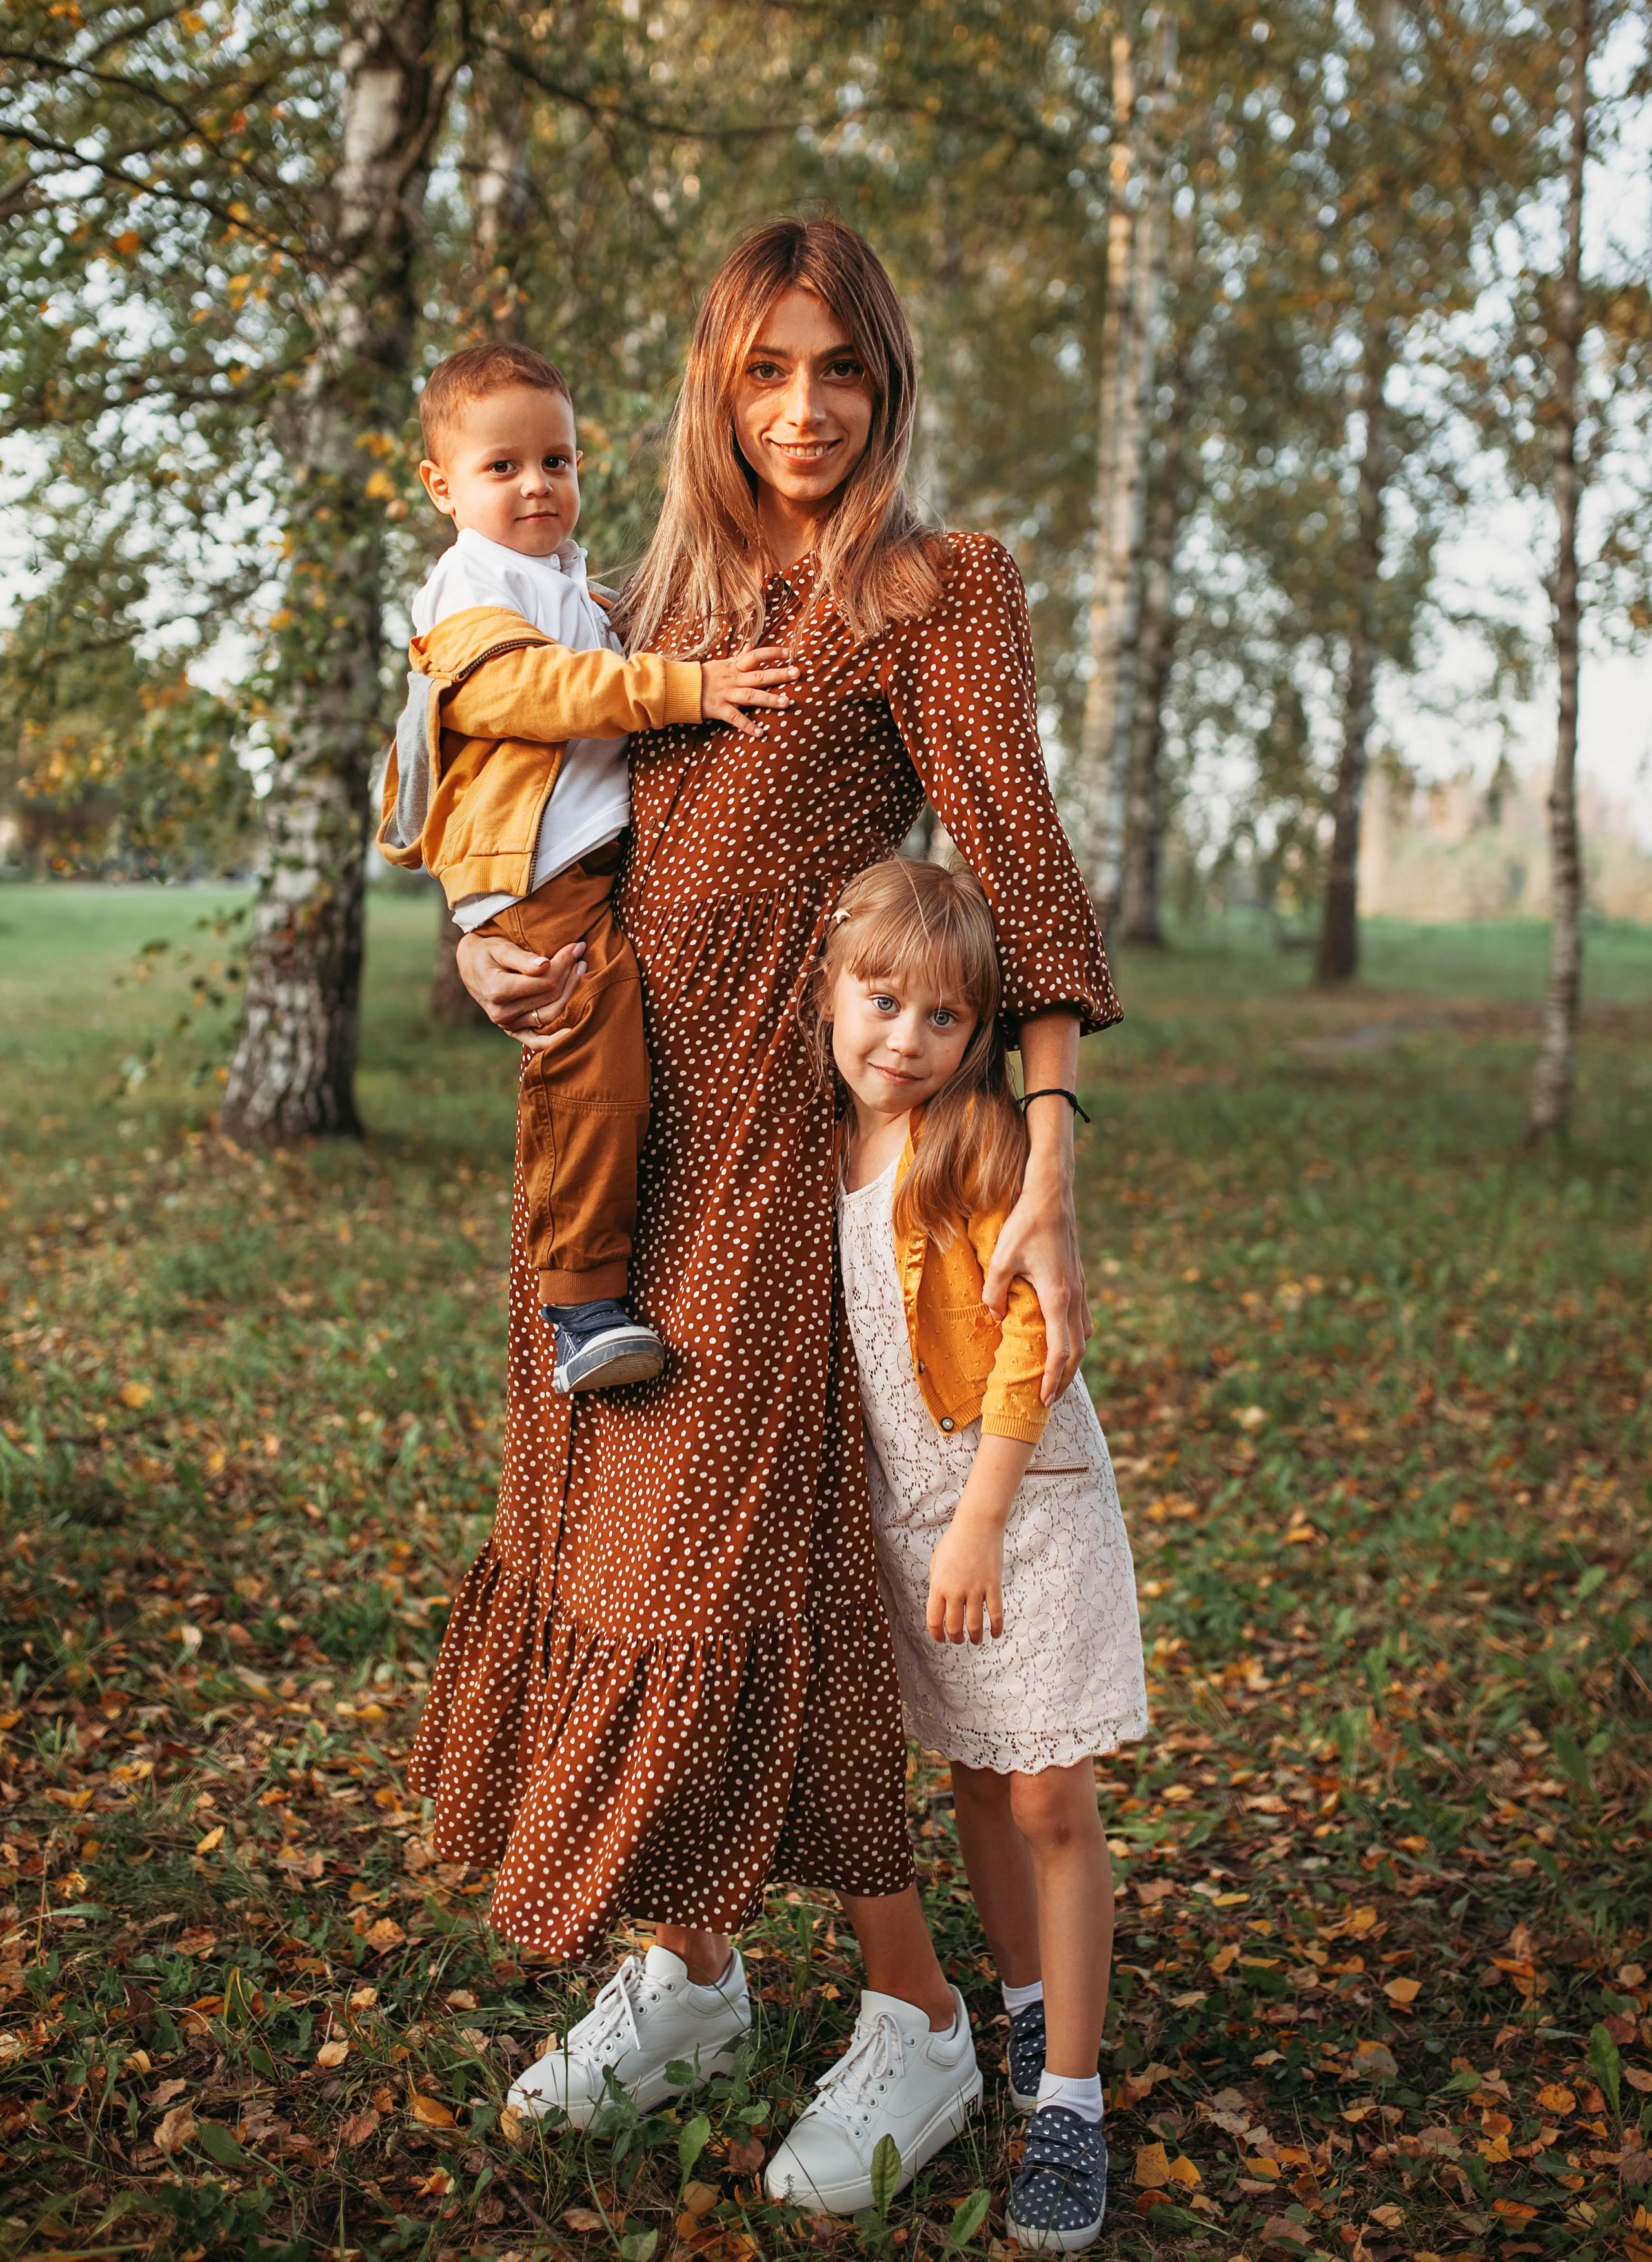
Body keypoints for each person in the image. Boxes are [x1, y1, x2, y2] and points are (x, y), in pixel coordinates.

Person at [407, 219, 1123, 2214]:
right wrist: (482, 951)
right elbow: (486, 781)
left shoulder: (931, 594)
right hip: (595, 1172)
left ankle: (917, 2020)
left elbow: (1029, 878)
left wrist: (1049, 1157)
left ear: (888, 386)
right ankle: (694, 1973)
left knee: (716, 1590)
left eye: (842, 373)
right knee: (595, 1549)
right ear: (714, 385)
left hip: (767, 1175)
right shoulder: (632, 600)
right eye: (764, 372)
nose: (804, 411)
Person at [818, 856, 1147, 2248]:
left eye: (942, 1019)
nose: (904, 1040)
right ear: (826, 991)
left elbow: (1026, 1341)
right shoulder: (812, 1144)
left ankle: (1069, 2100)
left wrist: (978, 1515)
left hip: (1018, 1498)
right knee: (969, 1770)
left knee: (1044, 1795)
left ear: (981, 1033)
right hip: (909, 1514)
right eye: (879, 1001)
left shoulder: (972, 1141)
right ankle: (1022, 2007)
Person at [376, 341, 796, 1391]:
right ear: (441, 488)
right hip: (535, 881)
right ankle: (578, 1302)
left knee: (611, 1070)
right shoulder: (468, 585)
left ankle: (585, 1288)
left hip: (577, 868)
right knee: (587, 1073)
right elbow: (529, 694)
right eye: (503, 467)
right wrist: (686, 689)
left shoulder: (565, 575)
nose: (537, 485)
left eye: (557, 461)